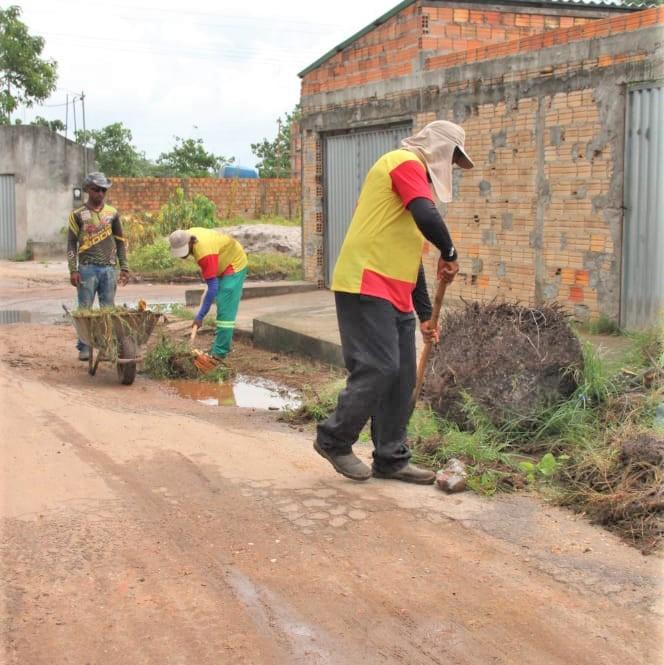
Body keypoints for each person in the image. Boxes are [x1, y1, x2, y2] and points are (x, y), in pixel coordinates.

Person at [314, 120, 474, 484]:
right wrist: (449, 251)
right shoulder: (402, 161)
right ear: (438, 148)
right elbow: (427, 215)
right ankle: (334, 439)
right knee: (379, 366)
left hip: (395, 292)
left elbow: (410, 259)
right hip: (365, 281)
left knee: (401, 375)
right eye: (452, 159)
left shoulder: (412, 188)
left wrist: (424, 315)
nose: (450, 168)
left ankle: (391, 457)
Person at [67, 172, 129, 361]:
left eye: (103, 190)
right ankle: (84, 346)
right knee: (85, 308)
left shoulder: (112, 214)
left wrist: (124, 267)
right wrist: (73, 269)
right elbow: (71, 244)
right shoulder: (77, 215)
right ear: (87, 190)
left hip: (109, 269)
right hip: (86, 268)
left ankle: (106, 345)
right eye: (96, 189)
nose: (100, 193)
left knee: (107, 309)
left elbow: (120, 241)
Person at [168, 227, 248, 361]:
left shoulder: (204, 253)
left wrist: (200, 316)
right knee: (220, 303)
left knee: (225, 309)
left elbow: (212, 289)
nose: (182, 256)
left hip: (234, 264)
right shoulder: (188, 235)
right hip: (222, 260)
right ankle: (219, 346)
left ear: (189, 243)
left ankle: (219, 353)